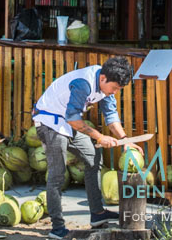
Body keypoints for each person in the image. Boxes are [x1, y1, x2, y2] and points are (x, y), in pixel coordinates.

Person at [32, 55, 143, 239]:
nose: (114, 92)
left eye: (118, 89)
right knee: (57, 174)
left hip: (68, 122)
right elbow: (73, 118)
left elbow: (111, 115)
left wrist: (125, 140)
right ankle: (57, 228)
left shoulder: (106, 86)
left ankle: (97, 214)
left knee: (93, 157)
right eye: (114, 88)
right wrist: (100, 136)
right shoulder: (84, 83)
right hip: (50, 122)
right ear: (102, 79)